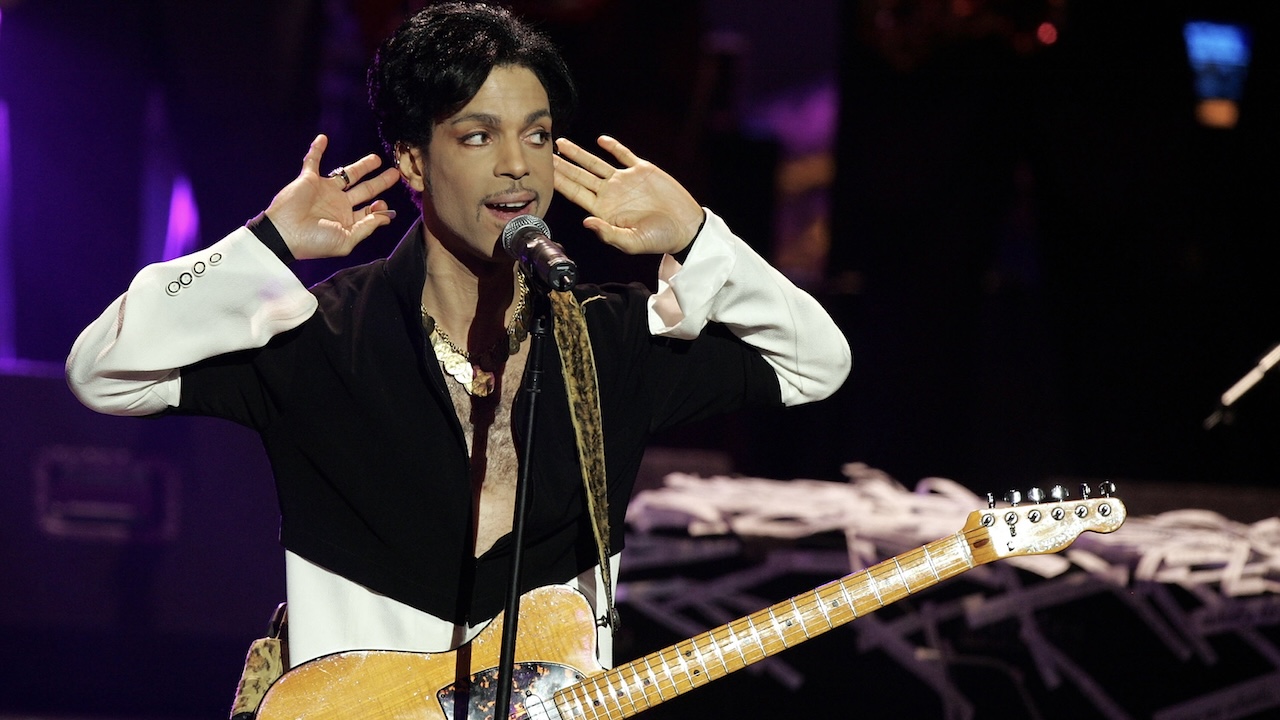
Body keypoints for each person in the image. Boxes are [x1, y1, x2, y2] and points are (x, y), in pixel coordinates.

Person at [66, 0, 849, 684]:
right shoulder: (323, 338)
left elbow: (817, 362)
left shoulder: (607, 340)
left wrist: (699, 236)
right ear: (413, 160)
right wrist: (264, 244)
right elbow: (102, 370)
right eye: (478, 137)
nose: (517, 167)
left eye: (537, 135)